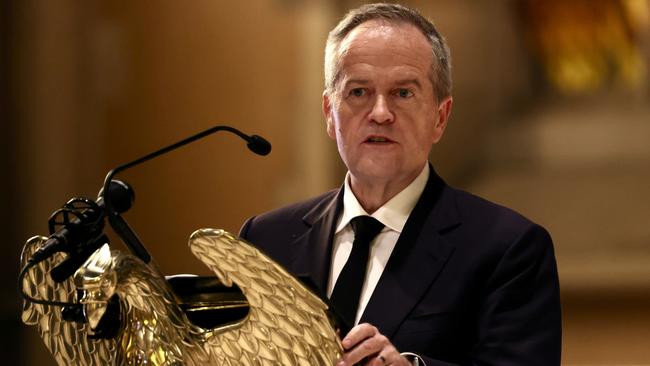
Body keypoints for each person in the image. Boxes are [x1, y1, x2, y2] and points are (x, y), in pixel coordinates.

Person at [240, 3, 561, 365]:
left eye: (403, 93)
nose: (380, 113)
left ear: (440, 117)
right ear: (330, 114)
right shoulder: (265, 241)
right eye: (359, 92)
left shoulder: (508, 248)